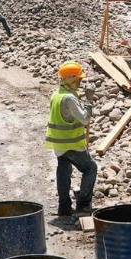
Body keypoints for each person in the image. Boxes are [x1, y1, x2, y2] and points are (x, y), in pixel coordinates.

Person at [45, 61, 97, 217]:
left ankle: (64, 207)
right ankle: (83, 205)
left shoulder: (57, 94)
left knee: (64, 169)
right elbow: (84, 119)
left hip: (58, 143)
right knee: (90, 168)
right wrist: (89, 100)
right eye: (78, 79)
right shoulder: (68, 98)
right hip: (71, 143)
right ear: (71, 79)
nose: (80, 82)